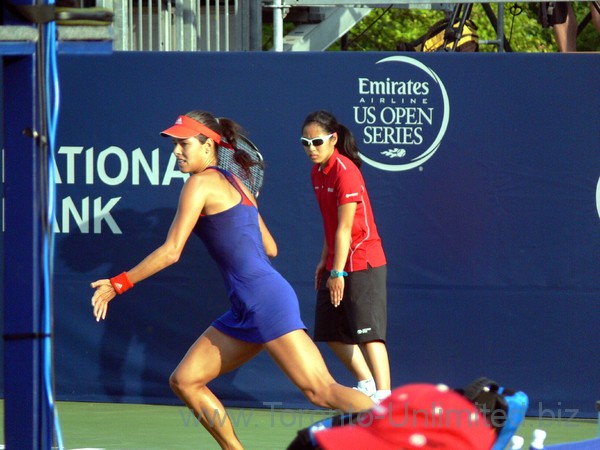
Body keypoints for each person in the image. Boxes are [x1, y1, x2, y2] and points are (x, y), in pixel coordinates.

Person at [90, 110, 374, 450]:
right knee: (185, 380)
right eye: (175, 145)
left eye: (184, 144)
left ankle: (402, 432)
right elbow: (270, 247)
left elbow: (171, 252)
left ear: (208, 145)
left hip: (262, 300)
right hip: (248, 304)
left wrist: (118, 283)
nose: (177, 152)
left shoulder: (199, 184)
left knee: (321, 391)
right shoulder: (236, 183)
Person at [301, 110, 391, 404]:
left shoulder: (346, 171)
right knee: (330, 331)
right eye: (305, 143)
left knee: (369, 334)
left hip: (363, 260)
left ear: (333, 139)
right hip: (337, 259)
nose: (311, 148)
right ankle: (366, 386)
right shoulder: (317, 172)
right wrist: (324, 262)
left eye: (317, 142)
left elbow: (345, 228)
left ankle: (385, 398)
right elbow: (330, 224)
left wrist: (337, 273)